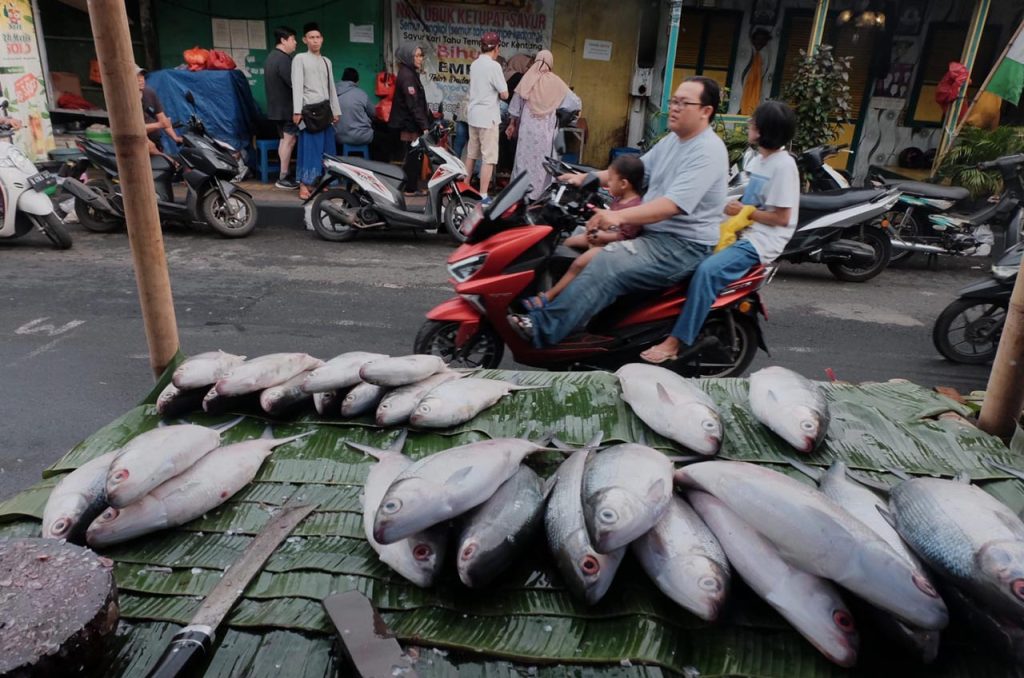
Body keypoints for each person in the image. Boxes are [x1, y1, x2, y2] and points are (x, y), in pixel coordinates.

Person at [508, 77, 728, 348]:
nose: (674, 108)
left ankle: (544, 327)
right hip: (652, 234)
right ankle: (560, 306)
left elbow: (673, 205)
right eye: (673, 101)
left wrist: (617, 216)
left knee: (607, 263)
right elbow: (636, 171)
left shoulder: (707, 151)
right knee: (572, 235)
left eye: (684, 103)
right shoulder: (673, 141)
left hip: (681, 245)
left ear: (706, 111)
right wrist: (583, 179)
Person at [641, 100, 800, 364]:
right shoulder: (758, 160)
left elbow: (782, 218)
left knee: (707, 272)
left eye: (753, 123)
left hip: (759, 241)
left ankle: (676, 341)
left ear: (764, 130)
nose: (749, 125)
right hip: (738, 230)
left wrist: (745, 210)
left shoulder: (784, 166)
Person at [524, 155, 645, 309]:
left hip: (613, 247)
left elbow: (625, 236)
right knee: (566, 243)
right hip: (600, 237)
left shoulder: (635, 207)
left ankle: (549, 296)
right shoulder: (619, 199)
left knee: (579, 263)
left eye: (611, 180)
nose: (607, 183)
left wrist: (601, 236)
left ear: (623, 184)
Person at [505, 50, 580, 199]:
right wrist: (564, 114)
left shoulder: (527, 79)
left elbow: (515, 107)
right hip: (545, 132)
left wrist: (512, 123)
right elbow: (575, 103)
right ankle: (538, 195)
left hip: (527, 131)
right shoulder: (556, 82)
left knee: (523, 161)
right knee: (542, 164)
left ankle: (521, 194)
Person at [291, 22, 340, 200]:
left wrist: (336, 110)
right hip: (308, 112)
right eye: (311, 38)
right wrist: (297, 111)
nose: (315, 41)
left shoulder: (327, 61)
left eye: (318, 37)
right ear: (305, 40)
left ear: (322, 39)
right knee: (309, 148)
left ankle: (322, 182)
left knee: (327, 149)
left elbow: (331, 87)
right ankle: (304, 184)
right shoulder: (300, 59)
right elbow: (297, 86)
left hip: (325, 111)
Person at [466, 31, 509, 201]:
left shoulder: (475, 64)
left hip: (474, 116)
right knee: (489, 158)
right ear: (496, 48)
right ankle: (483, 194)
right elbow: (505, 94)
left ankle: (465, 186)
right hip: (488, 118)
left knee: (471, 154)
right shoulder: (494, 66)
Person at [390, 44, 431, 196]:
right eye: (417, 55)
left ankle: (412, 187)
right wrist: (425, 126)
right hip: (410, 124)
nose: (420, 59)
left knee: (415, 155)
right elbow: (413, 104)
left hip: (412, 123)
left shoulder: (410, 73)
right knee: (414, 156)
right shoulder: (407, 76)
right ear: (408, 57)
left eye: (421, 55)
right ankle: (410, 188)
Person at [264, 26, 299, 189]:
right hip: (286, 109)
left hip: (276, 108)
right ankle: (283, 176)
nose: (295, 43)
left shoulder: (271, 57)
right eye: (293, 39)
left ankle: (283, 174)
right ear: (283, 40)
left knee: (284, 141)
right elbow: (293, 83)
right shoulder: (284, 59)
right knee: (289, 141)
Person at [137, 66, 181, 154]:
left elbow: (163, 119)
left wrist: (175, 138)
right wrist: (159, 125)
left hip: (156, 142)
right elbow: (135, 129)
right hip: (139, 145)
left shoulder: (149, 92)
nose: (141, 80)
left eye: (141, 76)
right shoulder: (126, 101)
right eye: (136, 77)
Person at [334, 67, 375, 148]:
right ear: (357, 82)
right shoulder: (361, 94)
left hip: (338, 137)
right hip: (361, 137)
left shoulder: (333, 93)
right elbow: (373, 113)